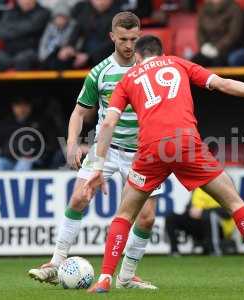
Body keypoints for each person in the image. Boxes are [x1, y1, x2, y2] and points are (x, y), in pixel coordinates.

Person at [84, 35, 244, 293]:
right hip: (185, 142)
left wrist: (97, 167)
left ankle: (105, 278)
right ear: (161, 54)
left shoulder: (128, 78)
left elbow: (108, 123)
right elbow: (224, 84)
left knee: (124, 214)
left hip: (151, 149)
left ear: (138, 58)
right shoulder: (177, 63)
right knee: (234, 202)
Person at [28, 12, 161, 290]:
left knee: (147, 217)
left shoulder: (150, 70)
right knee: (79, 197)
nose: (129, 45)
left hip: (143, 153)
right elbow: (79, 112)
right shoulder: (99, 72)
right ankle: (55, 262)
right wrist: (73, 143)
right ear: (112, 37)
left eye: (134, 39)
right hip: (107, 149)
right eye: (123, 39)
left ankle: (126, 277)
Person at [165, 187, 235, 256]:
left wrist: (203, 212)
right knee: (171, 218)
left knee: (209, 216)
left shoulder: (223, 188)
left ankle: (214, 250)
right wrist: (190, 211)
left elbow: (228, 212)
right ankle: (174, 251)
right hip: (199, 223)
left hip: (220, 227)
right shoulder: (197, 188)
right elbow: (189, 207)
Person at [0, 0, 50, 70]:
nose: (26, 2)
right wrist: (19, 31)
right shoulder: (10, 12)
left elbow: (30, 27)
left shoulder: (43, 12)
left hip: (32, 49)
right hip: (9, 50)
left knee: (22, 59)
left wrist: (11, 28)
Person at [192, 0, 243, 67]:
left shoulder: (234, 8)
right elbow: (200, 31)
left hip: (227, 49)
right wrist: (203, 46)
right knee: (194, 64)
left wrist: (218, 48)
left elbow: (234, 34)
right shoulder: (204, 8)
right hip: (207, 48)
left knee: (218, 63)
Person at [38, 2, 78, 70]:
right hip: (48, 56)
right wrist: (43, 56)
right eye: (58, 17)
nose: (60, 20)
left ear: (68, 18)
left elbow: (72, 43)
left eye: (63, 17)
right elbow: (43, 42)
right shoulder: (50, 27)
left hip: (63, 56)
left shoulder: (72, 27)